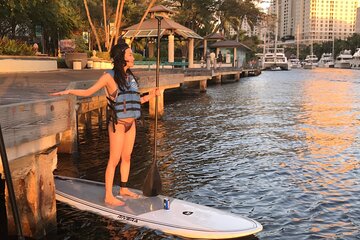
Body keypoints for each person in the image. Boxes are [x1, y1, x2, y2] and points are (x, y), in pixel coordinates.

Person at [51, 42, 160, 206]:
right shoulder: (109, 77)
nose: (132, 57)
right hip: (118, 124)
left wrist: (151, 96)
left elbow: (135, 100)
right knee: (114, 159)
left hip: (132, 124)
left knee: (127, 157)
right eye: (130, 54)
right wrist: (68, 91)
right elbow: (88, 92)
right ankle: (109, 196)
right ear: (121, 57)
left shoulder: (130, 77)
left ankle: (123, 188)